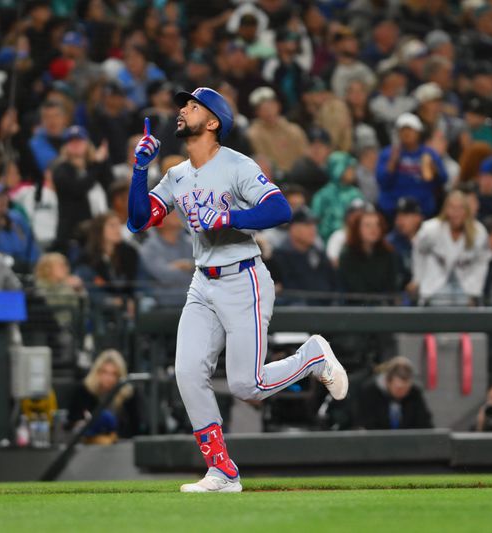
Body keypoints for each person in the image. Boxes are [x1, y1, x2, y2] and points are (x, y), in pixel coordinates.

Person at [127, 88, 348, 493]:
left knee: (249, 386)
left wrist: (227, 215)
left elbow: (280, 208)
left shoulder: (235, 164)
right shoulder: (176, 174)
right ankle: (222, 471)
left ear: (213, 122)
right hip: (202, 281)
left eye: (192, 106)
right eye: (183, 104)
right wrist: (140, 171)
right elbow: (139, 221)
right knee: (188, 373)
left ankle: (313, 356)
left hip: (242, 277)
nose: (182, 110)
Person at [412, 190, 491, 305]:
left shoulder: (478, 232)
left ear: (466, 211)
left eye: (460, 208)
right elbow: (418, 250)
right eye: (452, 208)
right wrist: (417, 279)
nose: (456, 213)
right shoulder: (431, 230)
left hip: (465, 286)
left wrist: (474, 293)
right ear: (446, 209)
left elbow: (481, 262)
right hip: (435, 286)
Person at [376, 113, 447, 221]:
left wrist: (434, 169)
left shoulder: (428, 153)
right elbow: (382, 181)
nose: (406, 134)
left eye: (410, 130)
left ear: (418, 132)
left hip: (423, 210)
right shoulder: (388, 153)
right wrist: (392, 163)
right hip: (392, 211)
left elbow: (443, 179)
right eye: (403, 130)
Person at [66, 349, 140, 444]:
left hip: (121, 447)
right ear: (97, 372)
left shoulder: (129, 395)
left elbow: (134, 428)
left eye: (114, 374)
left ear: (120, 376)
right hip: (88, 446)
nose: (108, 378)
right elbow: (71, 422)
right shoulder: (83, 392)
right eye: (104, 372)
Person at [269, 207, 336, 302]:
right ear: (293, 228)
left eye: (314, 225)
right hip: (295, 314)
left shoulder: (319, 255)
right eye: (307, 225)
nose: (313, 229)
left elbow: (332, 286)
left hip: (326, 312)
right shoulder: (279, 257)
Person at [354, 356, 433, 430]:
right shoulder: (370, 393)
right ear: (388, 382)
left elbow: (425, 424)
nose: (403, 392)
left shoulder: (414, 394)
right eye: (399, 388)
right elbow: (364, 424)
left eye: (406, 388)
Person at [338, 207, 401, 299]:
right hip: (355, 308)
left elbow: (392, 287)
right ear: (357, 229)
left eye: (377, 225)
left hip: (384, 307)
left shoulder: (388, 253)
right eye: (367, 225)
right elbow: (354, 289)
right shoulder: (347, 255)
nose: (373, 229)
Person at [138, 211, 194, 304]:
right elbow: (164, 275)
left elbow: (202, 270)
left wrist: (182, 265)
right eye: (172, 211)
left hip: (193, 303)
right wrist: (188, 268)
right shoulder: (149, 247)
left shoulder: (190, 243)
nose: (179, 214)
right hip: (163, 307)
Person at [311, 151, 364, 243]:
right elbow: (315, 222)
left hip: (354, 242)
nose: (353, 172)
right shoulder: (322, 195)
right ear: (338, 169)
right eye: (349, 168)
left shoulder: (356, 193)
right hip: (327, 241)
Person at [387, 197, 424, 291]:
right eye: (398, 215)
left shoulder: (429, 239)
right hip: (400, 294)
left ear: (418, 217)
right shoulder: (390, 242)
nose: (400, 220)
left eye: (405, 215)